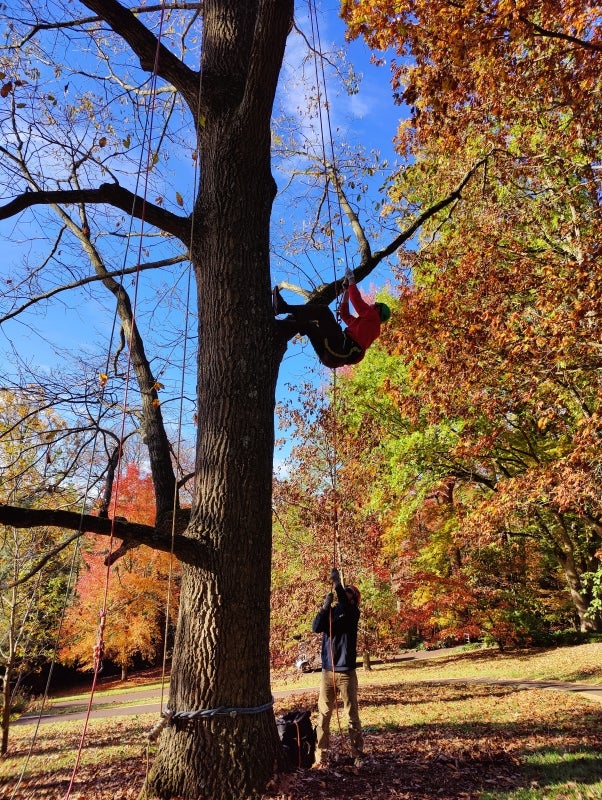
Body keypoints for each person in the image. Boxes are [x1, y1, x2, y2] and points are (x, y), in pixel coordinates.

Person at [272, 272, 390, 369]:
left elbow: (357, 302)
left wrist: (352, 280)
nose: (371, 305)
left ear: (377, 309)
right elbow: (344, 315)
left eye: (374, 305)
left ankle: (283, 307)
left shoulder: (373, 317)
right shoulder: (366, 327)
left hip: (339, 347)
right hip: (331, 359)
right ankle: (278, 328)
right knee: (308, 326)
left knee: (322, 312)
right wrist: (346, 292)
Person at [311, 567, 365, 768]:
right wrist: (324, 608)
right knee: (323, 714)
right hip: (327, 673)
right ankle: (321, 757)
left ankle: (357, 755)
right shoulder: (332, 615)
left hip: (347, 673)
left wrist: (338, 584)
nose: (345, 594)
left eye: (349, 593)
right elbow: (316, 627)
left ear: (353, 600)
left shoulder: (353, 614)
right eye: (346, 591)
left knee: (352, 715)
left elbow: (345, 601)